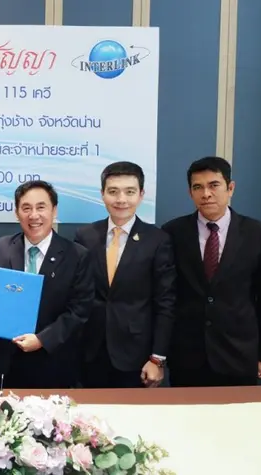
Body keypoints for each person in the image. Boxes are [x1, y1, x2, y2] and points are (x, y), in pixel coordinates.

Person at [162, 156, 261, 386]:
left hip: (239, 353)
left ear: (230, 188)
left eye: (214, 185)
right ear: (190, 193)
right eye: (198, 187)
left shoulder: (258, 234)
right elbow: (167, 295)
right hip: (187, 356)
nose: (206, 194)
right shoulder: (172, 232)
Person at [0, 180, 93, 389]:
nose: (34, 215)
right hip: (6, 361)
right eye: (26, 208)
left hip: (53, 362)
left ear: (54, 211)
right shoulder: (2, 247)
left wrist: (42, 340)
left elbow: (79, 310)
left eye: (41, 207)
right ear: (17, 213)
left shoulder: (77, 255)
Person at [74, 162, 176, 388]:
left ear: (141, 195)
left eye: (129, 192)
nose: (121, 199)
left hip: (136, 355)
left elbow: (165, 302)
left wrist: (157, 358)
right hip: (90, 352)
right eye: (113, 191)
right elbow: (77, 295)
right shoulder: (85, 236)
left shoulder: (157, 240)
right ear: (102, 194)